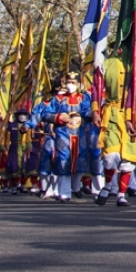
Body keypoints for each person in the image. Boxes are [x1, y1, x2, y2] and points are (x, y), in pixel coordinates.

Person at [93, 54, 136, 207]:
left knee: (128, 158)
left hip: (132, 115)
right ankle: (108, 184)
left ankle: (121, 194)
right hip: (111, 114)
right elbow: (96, 88)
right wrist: (95, 111)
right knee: (110, 156)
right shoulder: (105, 64)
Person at [46, 73, 93, 201]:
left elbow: (87, 111)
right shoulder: (58, 99)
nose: (70, 85)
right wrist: (58, 117)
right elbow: (46, 114)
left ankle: (76, 185)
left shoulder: (84, 98)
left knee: (81, 162)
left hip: (80, 135)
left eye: (73, 82)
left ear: (78, 84)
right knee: (63, 161)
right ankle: (64, 192)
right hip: (63, 135)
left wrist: (94, 114)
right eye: (68, 82)